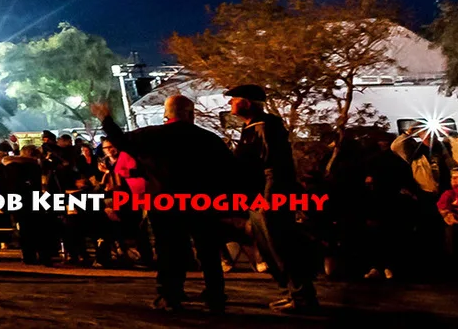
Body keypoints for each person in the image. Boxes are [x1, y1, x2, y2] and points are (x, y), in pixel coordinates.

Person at [93, 94, 237, 314]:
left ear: (166, 114)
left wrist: (106, 119)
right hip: (202, 202)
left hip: (164, 201)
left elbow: (120, 140)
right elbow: (227, 172)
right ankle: (215, 294)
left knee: (169, 248)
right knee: (207, 249)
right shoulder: (208, 139)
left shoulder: (152, 135)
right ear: (190, 113)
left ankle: (170, 294)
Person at [227, 84, 320, 313]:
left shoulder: (266, 126)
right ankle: (290, 293)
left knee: (282, 246)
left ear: (247, 103)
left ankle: (301, 297)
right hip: (257, 197)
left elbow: (273, 167)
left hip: (270, 197)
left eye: (234, 99)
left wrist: (270, 198)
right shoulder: (251, 128)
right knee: (269, 249)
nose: (230, 104)